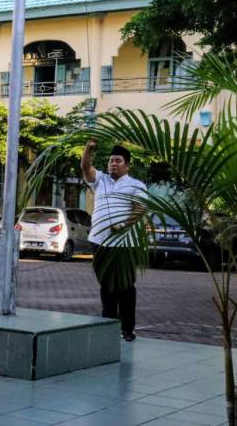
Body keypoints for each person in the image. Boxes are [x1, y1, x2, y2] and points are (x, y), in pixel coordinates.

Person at [82, 141, 147, 342]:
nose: (113, 164)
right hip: (100, 242)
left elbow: (140, 208)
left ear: (127, 165)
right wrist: (89, 149)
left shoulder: (136, 185)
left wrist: (123, 226)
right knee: (106, 286)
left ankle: (127, 329)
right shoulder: (101, 180)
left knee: (126, 287)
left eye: (118, 161)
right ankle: (108, 327)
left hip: (125, 244)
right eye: (111, 161)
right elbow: (85, 167)